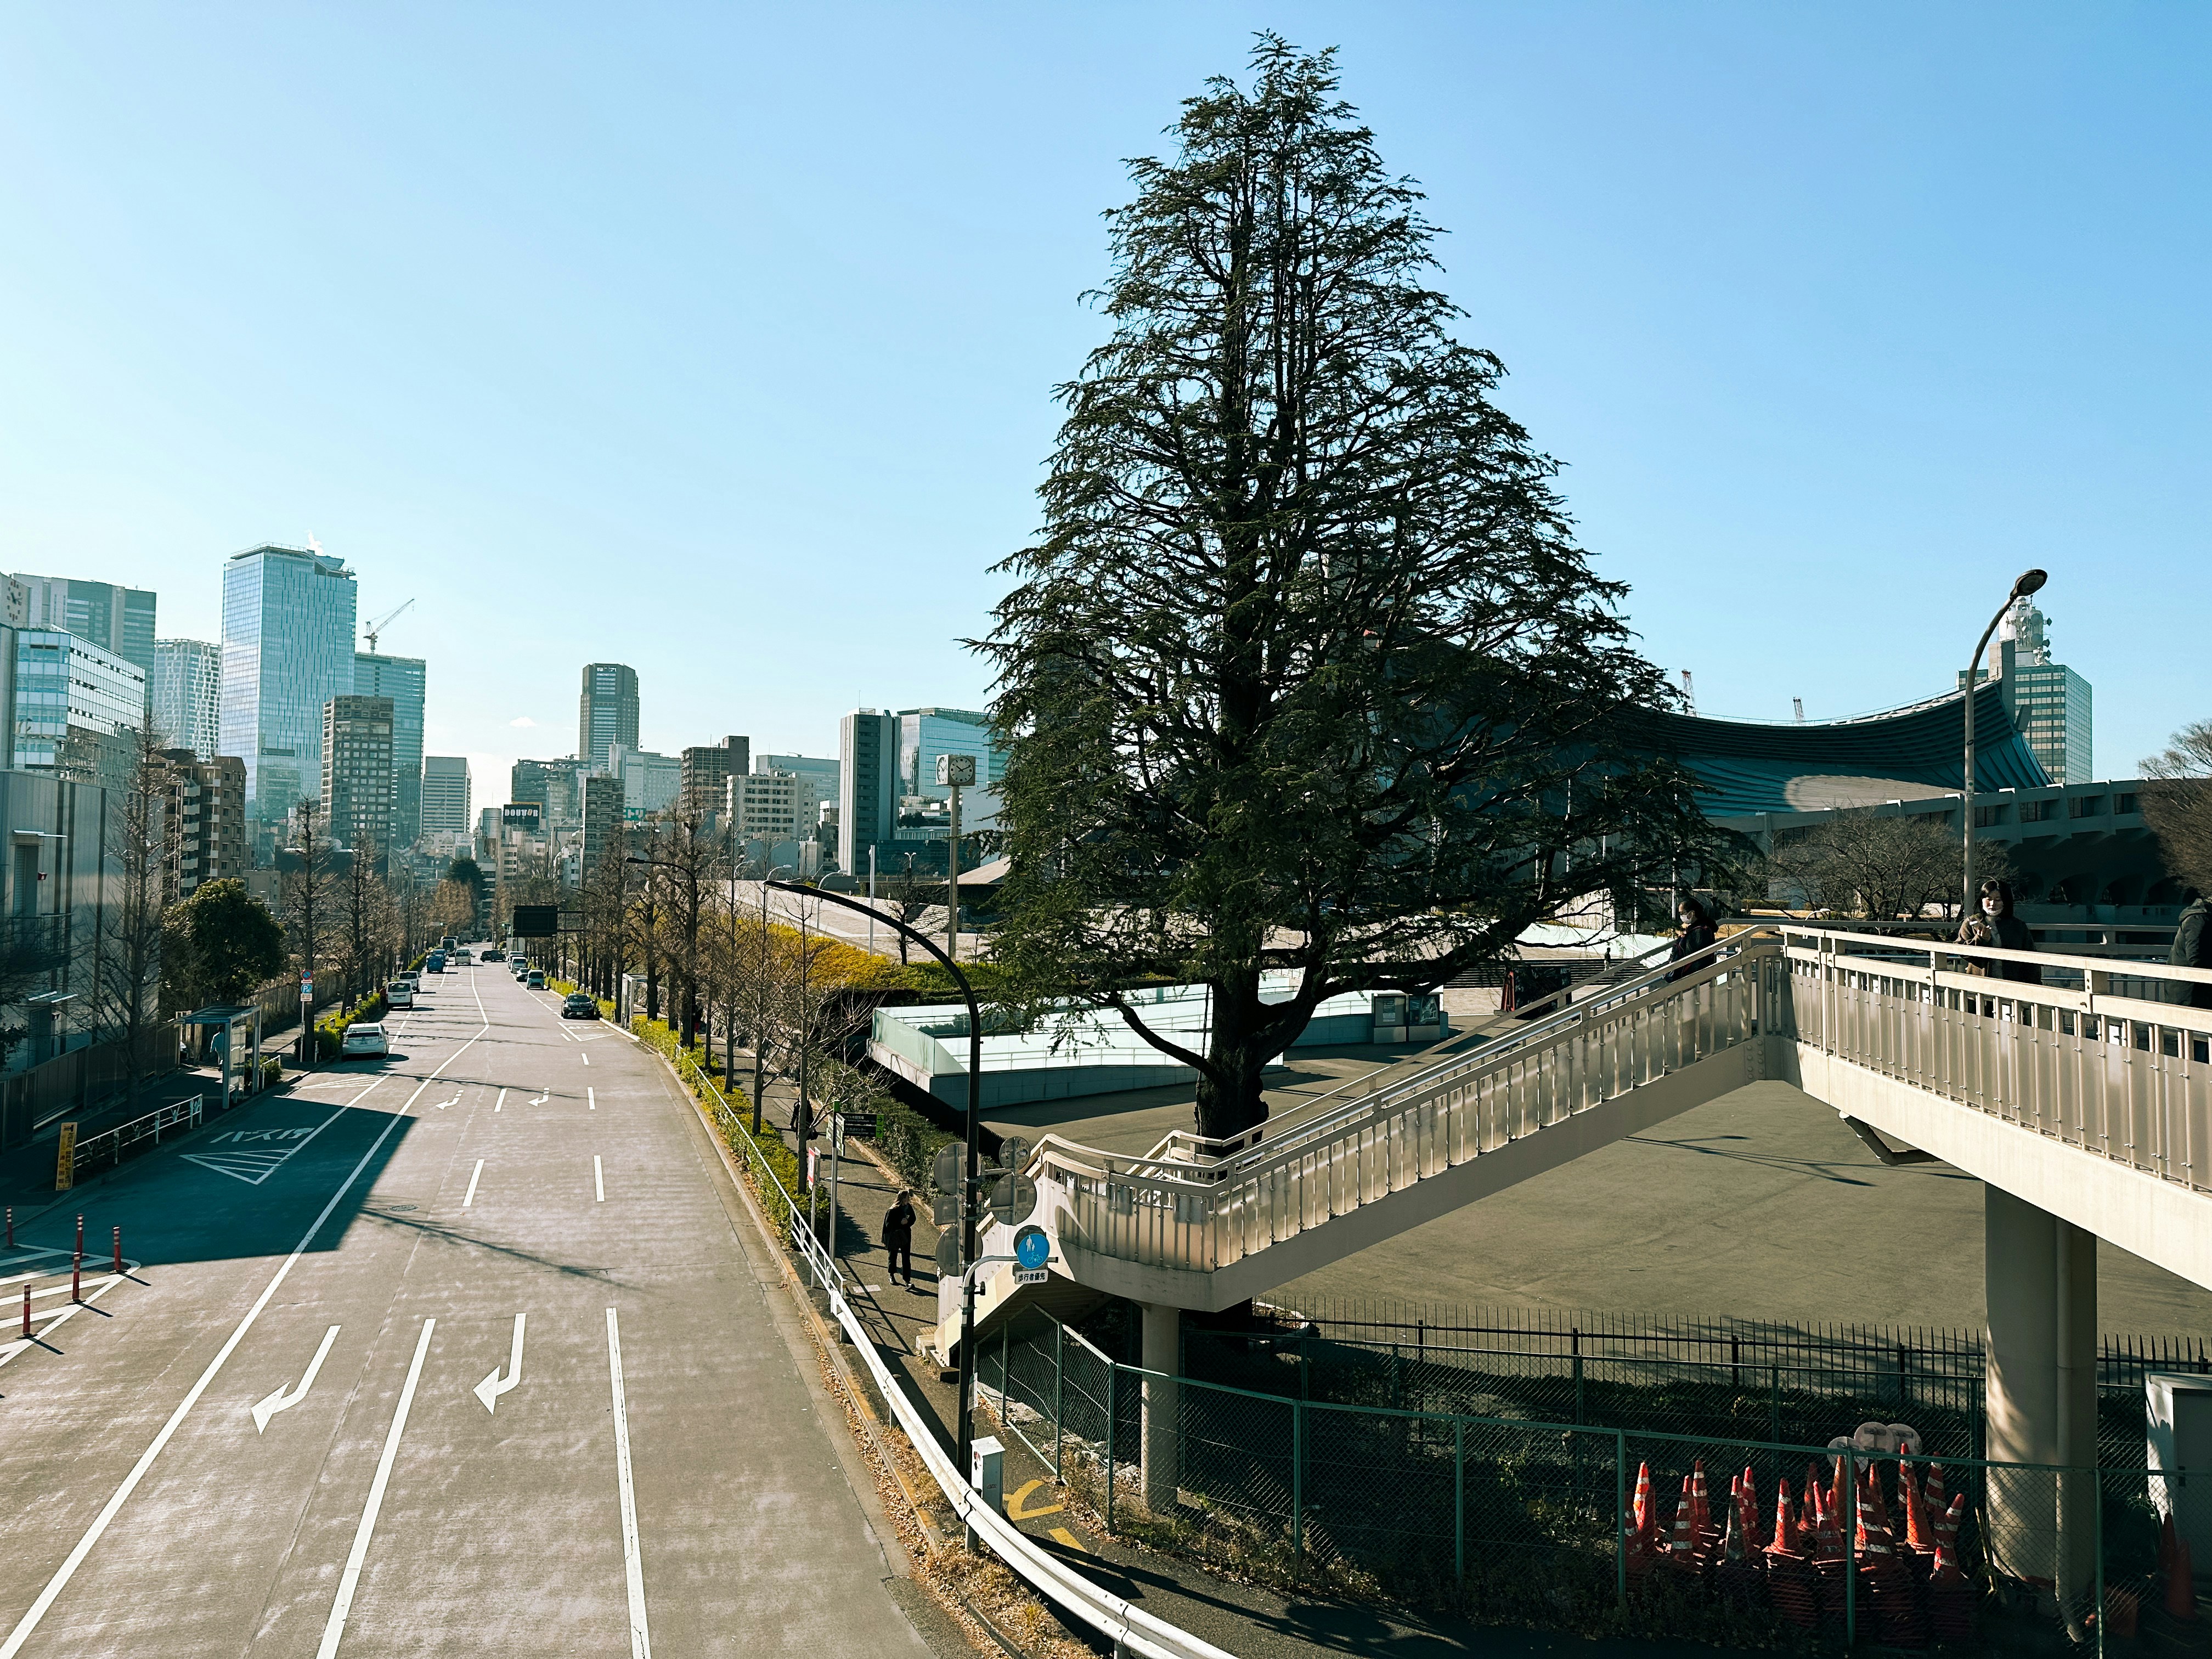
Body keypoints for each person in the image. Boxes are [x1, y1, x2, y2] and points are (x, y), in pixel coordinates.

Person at [1960, 878, 2039, 985]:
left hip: (2012, 985)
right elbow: (1962, 951)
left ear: (2005, 901)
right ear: (1982, 899)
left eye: (1998, 900)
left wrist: (2034, 984)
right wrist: (1980, 940)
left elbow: (2031, 958)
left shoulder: (2018, 926)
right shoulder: (1971, 922)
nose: (1992, 904)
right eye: (1989, 899)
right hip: (1980, 986)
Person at [2171, 888, 2212, 1010]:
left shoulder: (2201, 917)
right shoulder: (2198, 919)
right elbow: (2195, 956)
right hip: (2191, 989)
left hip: (2190, 987)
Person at [1668, 896, 1718, 981]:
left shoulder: (1701, 931)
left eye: (1682, 913)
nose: (1681, 916)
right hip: (1691, 977)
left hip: (1694, 979)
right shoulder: (1695, 929)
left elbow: (1699, 957)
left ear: (1692, 913)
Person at [883, 1189, 917, 1289]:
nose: (909, 1200)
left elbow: (913, 1218)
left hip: (905, 1236)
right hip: (895, 1237)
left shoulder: (908, 1208)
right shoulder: (893, 1210)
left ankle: (907, 1280)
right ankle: (892, 1275)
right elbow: (888, 1224)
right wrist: (900, 1223)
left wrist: (907, 1222)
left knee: (906, 1258)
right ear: (903, 1199)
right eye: (907, 1198)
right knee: (892, 1256)